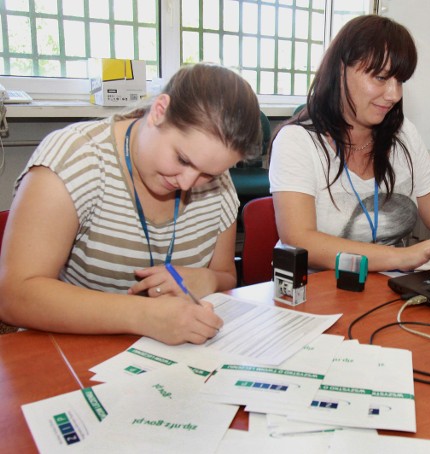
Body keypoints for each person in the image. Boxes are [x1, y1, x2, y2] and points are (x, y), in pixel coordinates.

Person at [0, 63, 262, 345]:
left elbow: (226, 277)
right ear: (159, 111)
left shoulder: (217, 185)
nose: (187, 183)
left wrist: (208, 280)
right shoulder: (75, 159)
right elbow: (14, 295)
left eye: (208, 173)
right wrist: (144, 316)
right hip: (69, 350)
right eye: (183, 160)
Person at [269, 15, 430, 272]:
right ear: (340, 69)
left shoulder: (404, 135)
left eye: (400, 81)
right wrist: (401, 257)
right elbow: (301, 239)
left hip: (386, 291)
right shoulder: (296, 142)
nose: (394, 95)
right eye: (380, 77)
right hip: (320, 293)